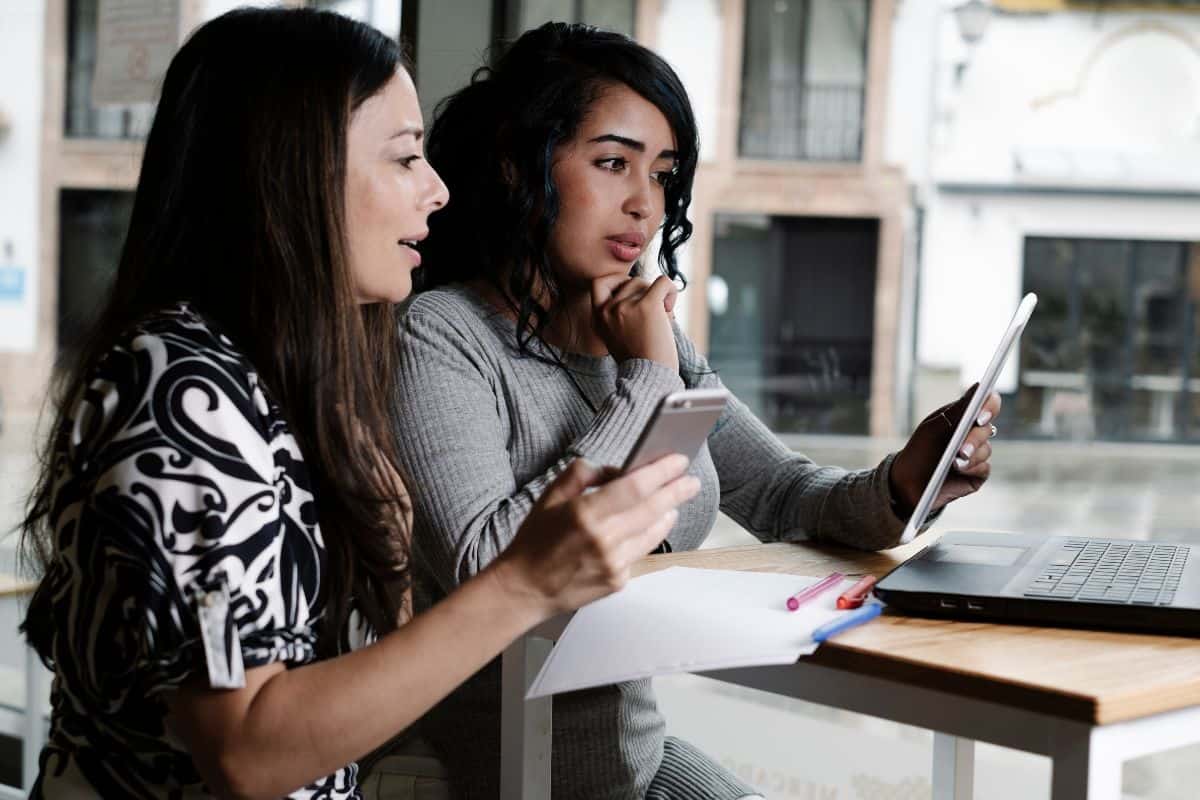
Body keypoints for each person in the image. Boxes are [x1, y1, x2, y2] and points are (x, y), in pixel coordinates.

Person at [17, 9, 699, 798]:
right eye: (406, 159)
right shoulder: (180, 386)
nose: (438, 191)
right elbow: (247, 753)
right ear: (294, 171)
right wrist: (525, 582)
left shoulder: (298, 377)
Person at [392, 21, 1003, 800]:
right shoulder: (442, 335)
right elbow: (491, 565)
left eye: (663, 172)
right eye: (612, 162)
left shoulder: (646, 330)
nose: (643, 203)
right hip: (522, 780)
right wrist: (645, 377)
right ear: (517, 164)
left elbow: (780, 493)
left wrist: (905, 483)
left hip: (641, 769)